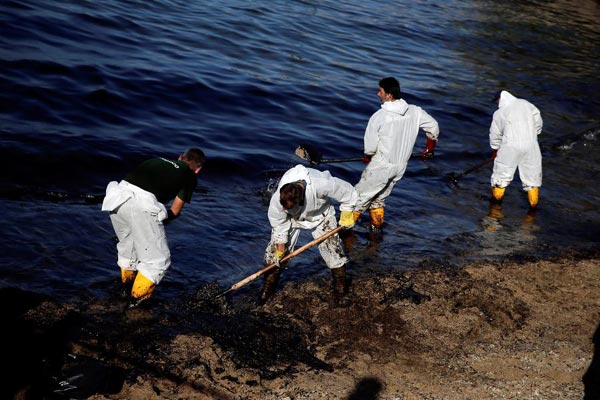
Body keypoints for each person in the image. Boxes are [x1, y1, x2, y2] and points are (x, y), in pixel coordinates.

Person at [101, 148, 206, 307]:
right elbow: (175, 211)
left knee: (129, 250)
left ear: (180, 157)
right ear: (198, 169)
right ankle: (134, 304)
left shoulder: (156, 160)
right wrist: (159, 222)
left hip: (116, 197)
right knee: (158, 262)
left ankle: (124, 291)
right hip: (142, 204)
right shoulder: (190, 175)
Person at [260, 164, 358, 306]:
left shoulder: (322, 184)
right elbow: (278, 222)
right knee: (273, 257)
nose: (281, 207)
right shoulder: (278, 200)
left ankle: (340, 293)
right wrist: (280, 247)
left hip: (321, 215)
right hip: (291, 219)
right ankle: (266, 293)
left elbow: (348, 193)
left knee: (334, 254)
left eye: (286, 206)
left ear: (300, 200)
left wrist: (347, 213)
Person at [353, 77, 440, 232]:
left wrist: (368, 156)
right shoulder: (415, 111)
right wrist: (429, 148)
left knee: (357, 199)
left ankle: (343, 231)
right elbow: (433, 127)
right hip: (400, 167)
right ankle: (375, 232)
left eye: (380, 91)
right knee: (378, 199)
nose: (377, 94)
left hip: (381, 166)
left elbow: (370, 147)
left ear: (389, 96)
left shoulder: (379, 116)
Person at [489, 90, 543, 209]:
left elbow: (495, 134)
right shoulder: (527, 104)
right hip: (531, 145)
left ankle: (495, 209)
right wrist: (533, 135)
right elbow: (538, 122)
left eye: (496, 101)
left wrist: (495, 149)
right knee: (532, 178)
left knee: (501, 176)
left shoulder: (499, 113)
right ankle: (533, 209)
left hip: (510, 146)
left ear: (500, 99)